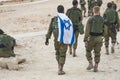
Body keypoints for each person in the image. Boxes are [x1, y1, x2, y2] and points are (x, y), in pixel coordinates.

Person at [45, 5, 75, 75]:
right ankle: (60, 69)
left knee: (57, 52)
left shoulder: (54, 19)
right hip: (63, 39)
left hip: (56, 40)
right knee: (62, 54)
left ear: (57, 10)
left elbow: (50, 30)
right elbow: (70, 29)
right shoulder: (67, 19)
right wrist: (70, 39)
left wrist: (47, 39)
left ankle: (59, 65)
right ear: (63, 10)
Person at [84, 6, 107, 72]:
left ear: (93, 11)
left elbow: (87, 30)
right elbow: (105, 29)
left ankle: (90, 63)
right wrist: (103, 36)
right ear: (99, 11)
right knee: (97, 52)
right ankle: (96, 66)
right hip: (99, 38)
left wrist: (85, 39)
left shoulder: (90, 19)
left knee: (88, 50)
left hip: (92, 37)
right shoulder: (102, 19)